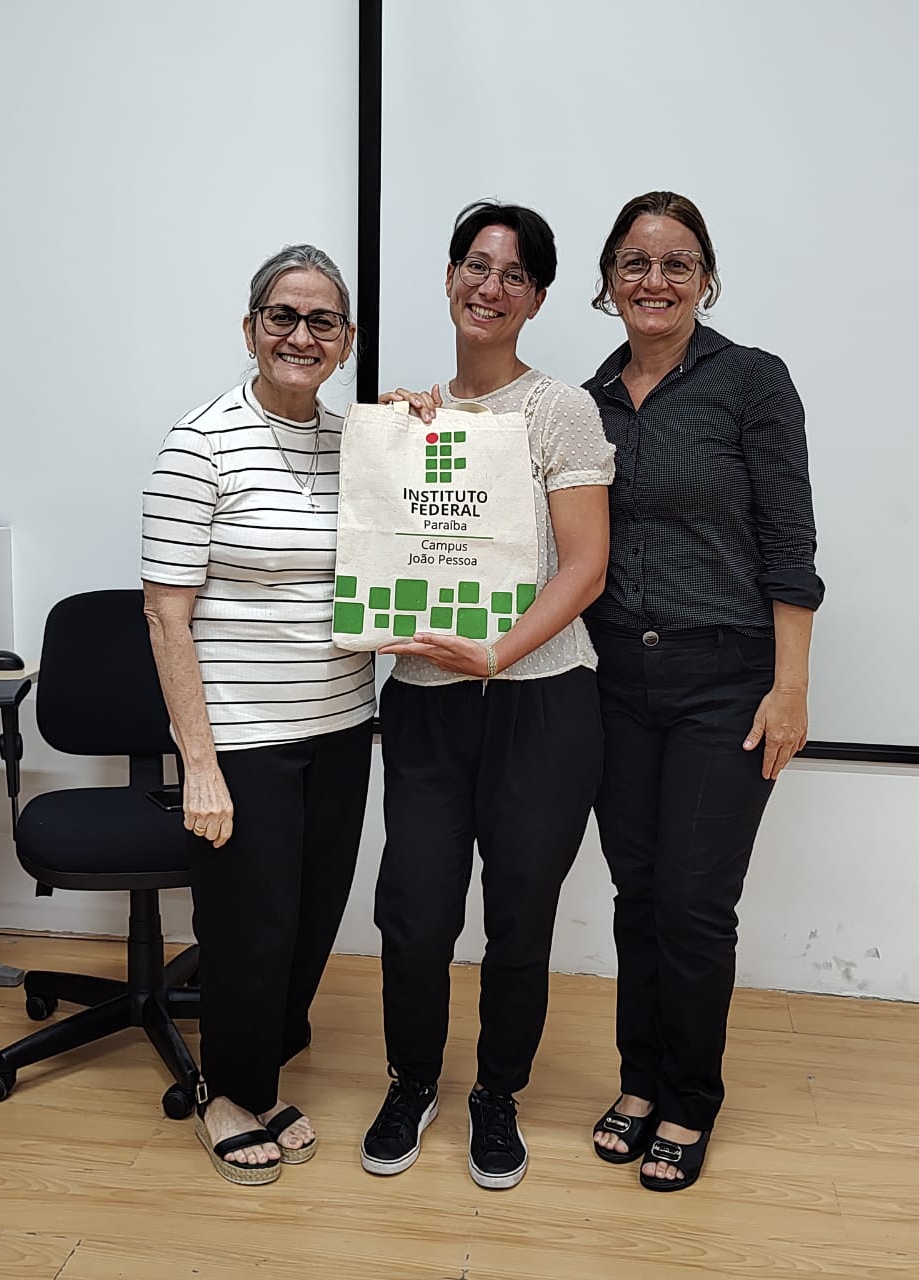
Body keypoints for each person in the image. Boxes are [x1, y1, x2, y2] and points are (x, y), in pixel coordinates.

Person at [360, 201, 616, 1190]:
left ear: (537, 299)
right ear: (449, 278)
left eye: (514, 274)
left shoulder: (559, 411)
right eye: (476, 265)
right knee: (416, 913)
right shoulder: (410, 419)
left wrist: (497, 654)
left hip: (540, 702)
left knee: (519, 915)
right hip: (426, 701)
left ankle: (496, 1093)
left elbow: (585, 566)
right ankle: (412, 1080)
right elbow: (383, 551)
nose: (490, 286)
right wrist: (389, 446)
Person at [583, 192, 824, 1191]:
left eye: (677, 263)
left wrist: (790, 688)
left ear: (706, 279)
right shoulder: (587, 400)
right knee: (638, 895)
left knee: (692, 903)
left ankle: (691, 1098)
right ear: (609, 281)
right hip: (613, 682)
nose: (655, 280)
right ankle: (640, 1082)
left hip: (725, 681)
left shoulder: (751, 381)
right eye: (635, 263)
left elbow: (790, 542)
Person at [141, 245, 375, 1185]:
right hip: (243, 736)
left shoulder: (356, 444)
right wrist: (199, 763)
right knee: (252, 928)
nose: (301, 336)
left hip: (344, 724)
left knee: (313, 918)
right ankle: (227, 1095)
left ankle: (261, 1073)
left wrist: (424, 429)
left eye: (323, 321)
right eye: (283, 316)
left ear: (346, 340)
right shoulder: (200, 443)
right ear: (250, 329)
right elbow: (166, 614)